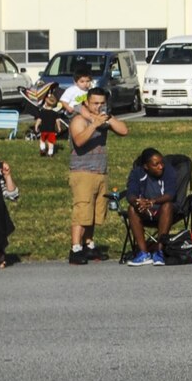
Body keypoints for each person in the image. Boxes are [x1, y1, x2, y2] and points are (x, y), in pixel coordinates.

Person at [67, 89, 128, 264]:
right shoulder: (79, 119)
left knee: (94, 212)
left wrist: (107, 118)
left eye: (102, 103)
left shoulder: (104, 119)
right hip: (82, 171)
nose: (99, 106)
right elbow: (78, 141)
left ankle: (89, 244)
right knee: (82, 211)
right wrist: (93, 124)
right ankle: (75, 248)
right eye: (95, 103)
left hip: (100, 171)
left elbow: (124, 131)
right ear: (87, 102)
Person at [123, 147, 176, 265]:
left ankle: (159, 251)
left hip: (163, 210)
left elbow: (170, 194)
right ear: (146, 166)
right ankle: (143, 253)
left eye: (161, 163)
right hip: (144, 210)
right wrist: (137, 202)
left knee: (167, 205)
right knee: (132, 209)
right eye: (156, 164)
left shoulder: (169, 171)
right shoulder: (137, 173)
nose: (161, 166)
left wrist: (152, 202)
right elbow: (130, 193)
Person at [23, 81, 67, 156]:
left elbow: (39, 120)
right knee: (51, 143)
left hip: (43, 130)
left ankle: (43, 149)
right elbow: (58, 121)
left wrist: (36, 126)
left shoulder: (42, 112)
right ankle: (50, 153)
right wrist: (59, 128)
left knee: (42, 141)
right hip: (52, 131)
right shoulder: (55, 113)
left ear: (45, 103)